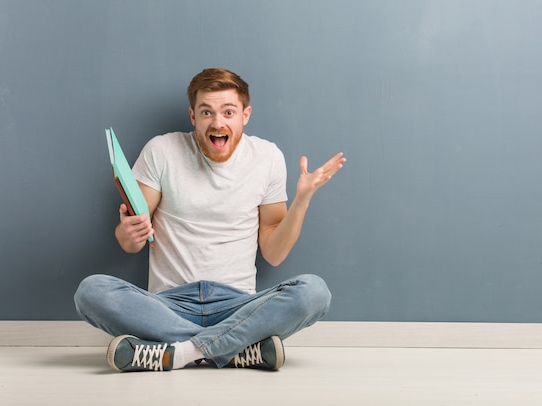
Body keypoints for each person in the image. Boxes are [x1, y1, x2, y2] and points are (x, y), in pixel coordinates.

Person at [74, 68, 346, 372]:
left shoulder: (267, 157)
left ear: (245, 115)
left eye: (228, 111)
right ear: (193, 116)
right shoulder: (162, 150)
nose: (218, 122)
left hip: (238, 307)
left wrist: (302, 200)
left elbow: (274, 252)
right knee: (91, 292)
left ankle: (180, 353)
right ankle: (234, 351)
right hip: (168, 305)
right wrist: (129, 234)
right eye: (207, 112)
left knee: (314, 292)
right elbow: (129, 241)